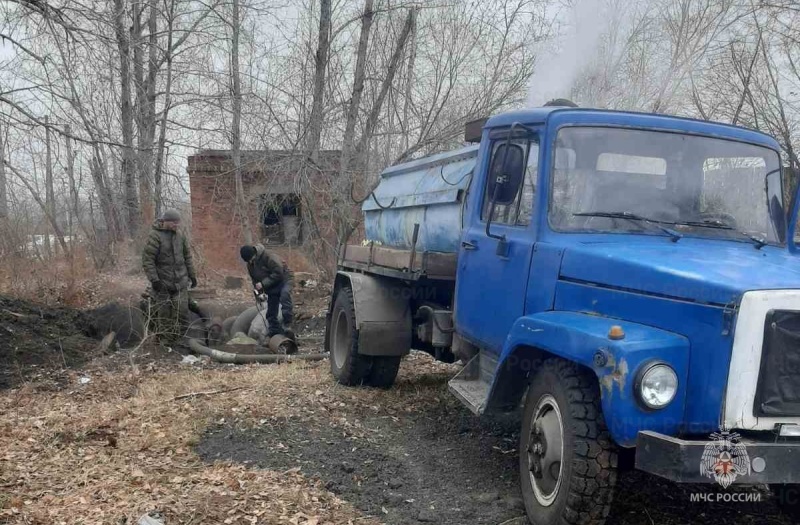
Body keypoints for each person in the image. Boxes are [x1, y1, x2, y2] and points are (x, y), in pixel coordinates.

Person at [142, 208, 198, 345]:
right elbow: (148, 260)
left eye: (177, 222)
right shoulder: (155, 236)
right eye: (173, 222)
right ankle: (167, 343)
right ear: (165, 221)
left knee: (182, 312)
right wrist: (154, 280)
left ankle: (183, 340)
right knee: (165, 315)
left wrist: (192, 275)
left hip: (180, 282)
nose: (176, 225)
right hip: (162, 284)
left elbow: (187, 257)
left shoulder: (180, 236)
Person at [240, 244, 294, 340]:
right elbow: (255, 280)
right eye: (248, 261)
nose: (250, 262)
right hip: (271, 284)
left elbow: (279, 272)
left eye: (250, 259)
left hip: (284, 279)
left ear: (254, 254)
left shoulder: (268, 256)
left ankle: (287, 325)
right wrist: (258, 292)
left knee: (284, 296)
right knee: (271, 309)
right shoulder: (250, 265)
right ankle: (274, 331)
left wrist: (263, 283)